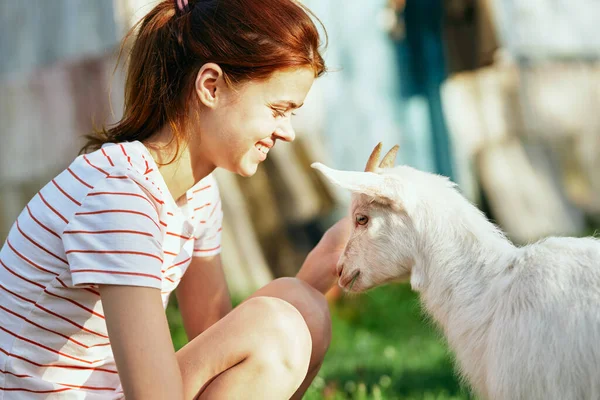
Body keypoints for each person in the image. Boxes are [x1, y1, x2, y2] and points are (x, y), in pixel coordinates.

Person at [0, 0, 351, 398]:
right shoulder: (120, 195)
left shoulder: (197, 191)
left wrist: (320, 267)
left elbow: (218, 341)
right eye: (277, 110)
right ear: (211, 86)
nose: (286, 131)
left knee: (303, 309)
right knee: (278, 327)